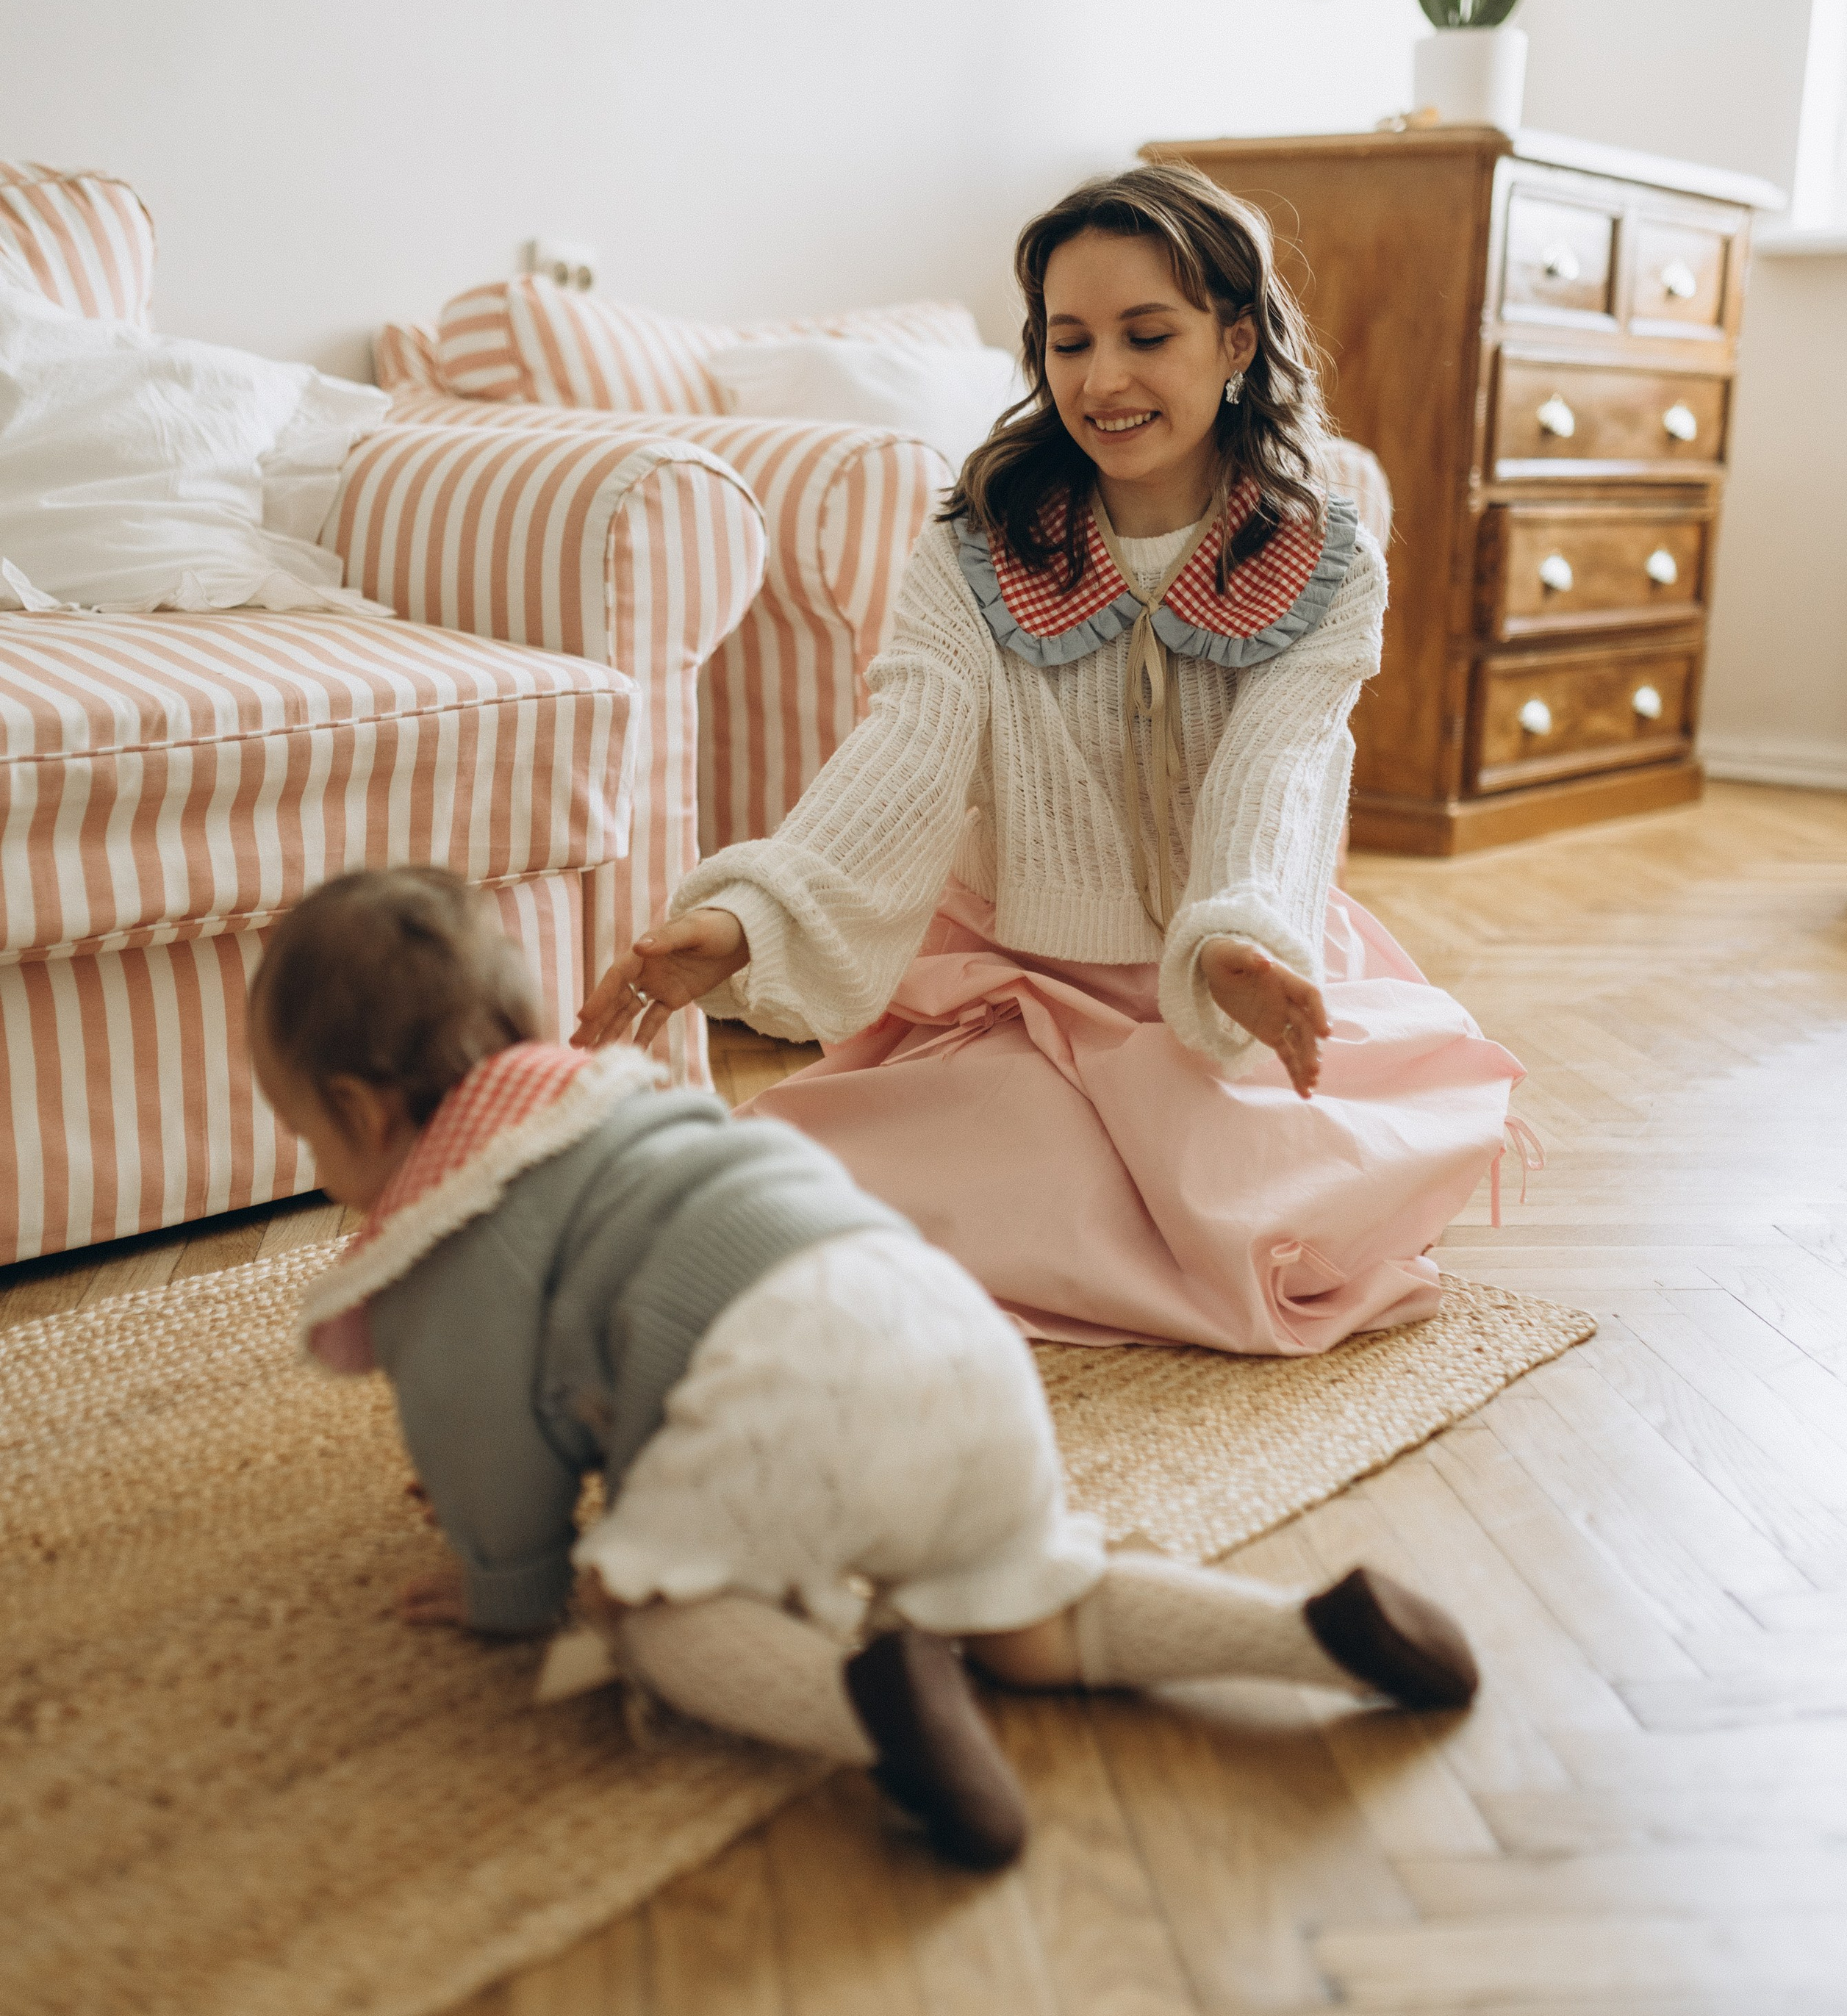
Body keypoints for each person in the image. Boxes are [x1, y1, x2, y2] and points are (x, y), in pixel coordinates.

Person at [254, 867, 1480, 1874]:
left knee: (654, 1616)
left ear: (363, 1115)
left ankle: (879, 1711)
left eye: (305, 1133)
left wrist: (510, 1582)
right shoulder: (614, 1101)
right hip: (944, 1330)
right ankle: (1310, 1635)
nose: (319, 1162)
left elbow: (483, 1436)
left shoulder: (451, 1237)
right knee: (1033, 1614)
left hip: (787, 1384)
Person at [575, 164, 1524, 1356]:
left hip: (1222, 969)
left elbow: (1278, 767)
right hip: (1019, 985)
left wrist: (1235, 936)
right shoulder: (971, 546)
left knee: (1245, 1206)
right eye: (1068, 342)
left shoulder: (1326, 557)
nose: (1102, 379)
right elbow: (907, 745)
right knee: (846, 1192)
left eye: (1146, 335)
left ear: (1235, 341)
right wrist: (754, 915)